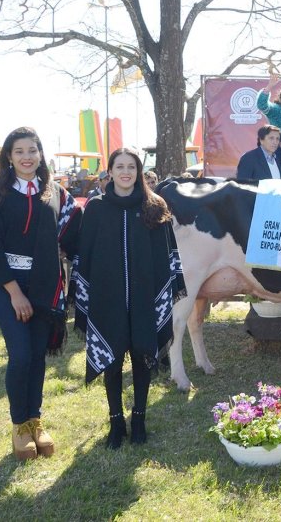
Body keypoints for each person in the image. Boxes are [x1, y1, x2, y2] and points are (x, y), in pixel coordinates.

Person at [0, 127, 82, 460]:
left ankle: (35, 420)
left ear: (40, 154)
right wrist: (14, 292)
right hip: (9, 286)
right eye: (19, 151)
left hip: (45, 286)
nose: (26, 157)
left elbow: (74, 236)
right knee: (20, 356)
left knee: (37, 357)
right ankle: (19, 424)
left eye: (32, 150)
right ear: (9, 155)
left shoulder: (56, 194)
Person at [73, 148, 186, 448]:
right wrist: (85, 294)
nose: (126, 172)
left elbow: (166, 255)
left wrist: (162, 291)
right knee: (111, 358)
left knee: (141, 355)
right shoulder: (96, 208)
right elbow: (85, 255)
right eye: (119, 166)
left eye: (131, 167)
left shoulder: (154, 206)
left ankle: (138, 418)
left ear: (138, 172)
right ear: (109, 171)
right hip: (107, 297)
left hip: (144, 298)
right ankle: (115, 421)